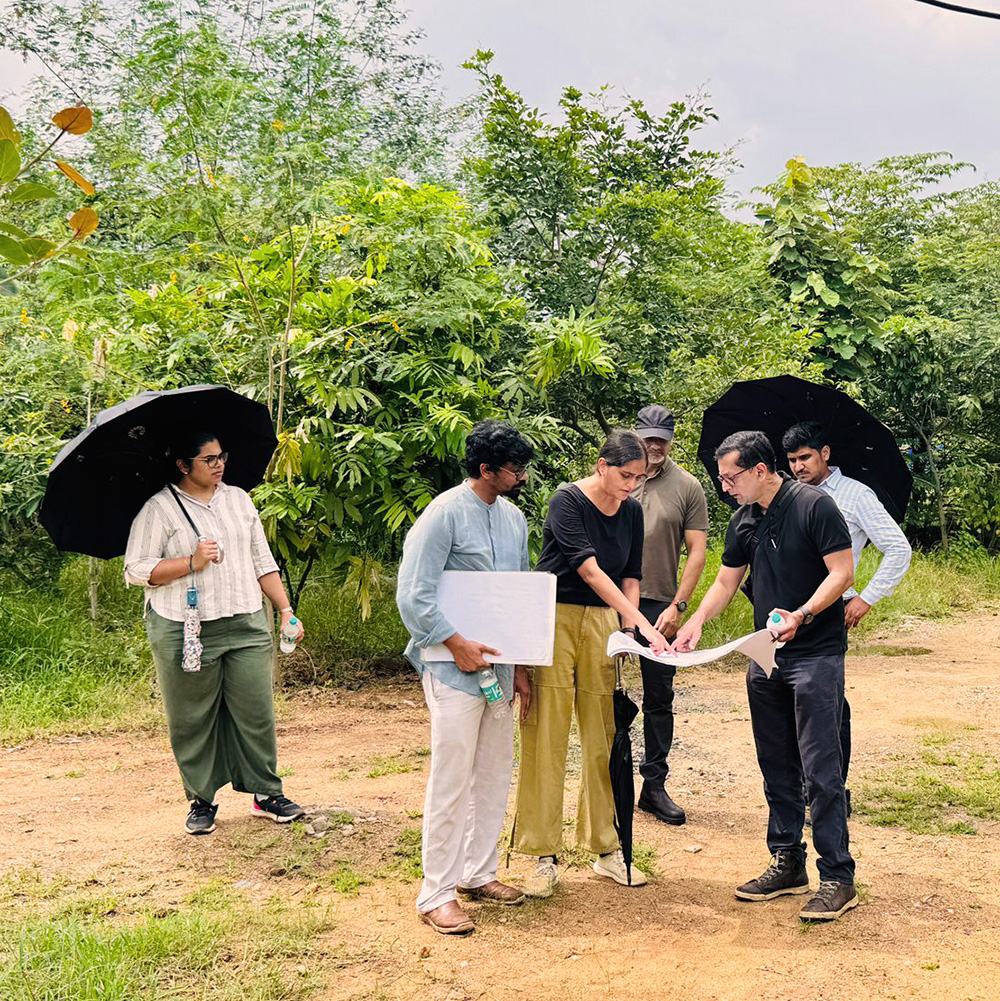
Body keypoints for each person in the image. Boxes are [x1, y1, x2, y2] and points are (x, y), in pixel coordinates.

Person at [674, 430, 858, 923]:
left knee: (821, 769)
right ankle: (788, 862)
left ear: (760, 470)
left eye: (732, 477)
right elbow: (726, 580)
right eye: (721, 478)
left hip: (815, 653)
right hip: (765, 655)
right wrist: (694, 623)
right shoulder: (743, 519)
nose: (725, 486)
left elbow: (841, 574)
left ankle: (838, 876)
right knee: (775, 762)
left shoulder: (813, 506)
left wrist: (801, 614)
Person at [124, 430, 305, 836]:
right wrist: (190, 562)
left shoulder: (239, 499)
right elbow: (135, 570)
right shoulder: (160, 509)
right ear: (183, 465)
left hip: (245, 621)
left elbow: (262, 559)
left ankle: (265, 793)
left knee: (255, 712)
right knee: (192, 717)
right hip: (184, 629)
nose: (219, 464)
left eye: (222, 455)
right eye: (208, 459)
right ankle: (201, 800)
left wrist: (285, 609)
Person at [514, 429, 668, 898]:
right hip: (555, 616)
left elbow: (630, 574)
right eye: (625, 475)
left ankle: (606, 846)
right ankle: (543, 854)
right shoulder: (567, 500)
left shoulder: (634, 510)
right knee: (547, 729)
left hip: (606, 621)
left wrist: (627, 629)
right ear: (602, 464)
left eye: (639, 478)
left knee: (605, 732)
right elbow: (588, 568)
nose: (631, 485)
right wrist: (644, 622)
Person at [396, 419, 534, 936]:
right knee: (451, 779)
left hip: (498, 668)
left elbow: (517, 595)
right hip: (451, 668)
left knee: (495, 771)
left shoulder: (514, 518)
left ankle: (479, 872)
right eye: (514, 469)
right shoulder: (443, 515)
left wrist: (519, 667)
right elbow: (414, 594)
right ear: (485, 470)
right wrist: (456, 643)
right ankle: (436, 892)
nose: (521, 476)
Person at [783, 420, 912, 802]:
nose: (798, 467)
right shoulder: (787, 493)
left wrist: (867, 597)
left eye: (805, 457)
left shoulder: (856, 495)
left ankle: (832, 789)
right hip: (787, 607)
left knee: (827, 701)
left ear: (825, 454)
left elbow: (898, 548)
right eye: (791, 459)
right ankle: (802, 786)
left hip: (831, 608)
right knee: (790, 698)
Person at [631, 404, 709, 826]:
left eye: (662, 437)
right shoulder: (618, 472)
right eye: (648, 436)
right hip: (608, 604)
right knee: (601, 692)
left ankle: (654, 785)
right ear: (637, 433)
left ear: (671, 439)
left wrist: (679, 606)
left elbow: (697, 550)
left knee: (659, 698)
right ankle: (606, 783)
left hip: (659, 604)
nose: (655, 444)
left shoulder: (687, 486)